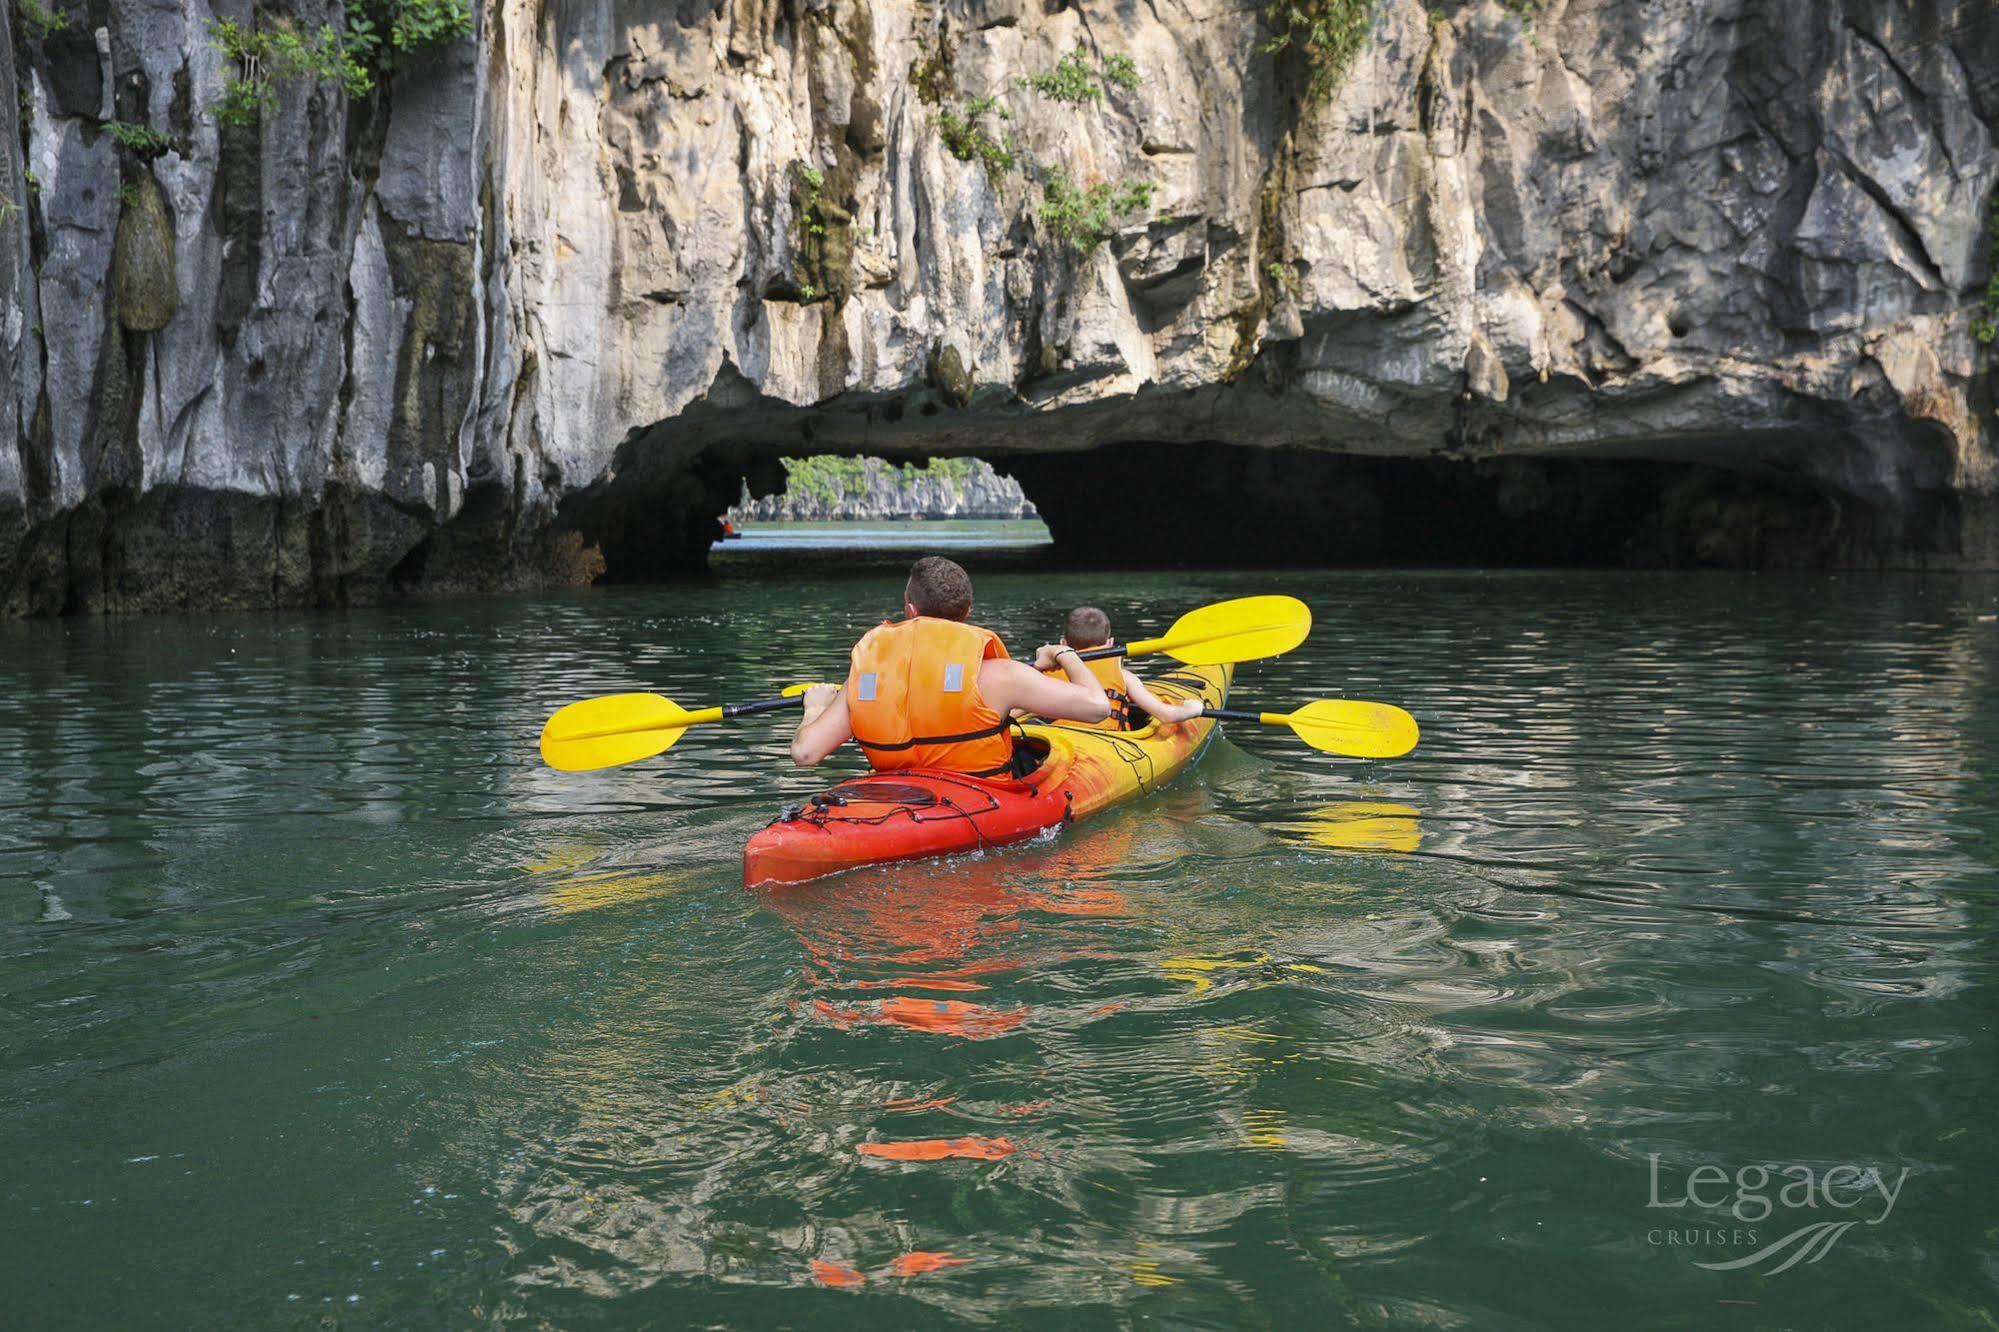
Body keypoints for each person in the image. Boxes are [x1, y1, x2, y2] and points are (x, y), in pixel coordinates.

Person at [790, 557, 1112, 774]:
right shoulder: (1002, 675)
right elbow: (1098, 708)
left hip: (896, 798)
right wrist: (1062, 654)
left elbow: (805, 754)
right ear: (967, 611)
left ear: (910, 609)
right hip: (975, 802)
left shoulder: (866, 673)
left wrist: (815, 708)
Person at [1032, 606, 1205, 729]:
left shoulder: (1043, 678)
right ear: (1110, 644)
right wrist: (1193, 709)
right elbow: (1167, 715)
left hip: (1058, 743)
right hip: (1106, 743)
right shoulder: (1123, 676)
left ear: (1063, 644)